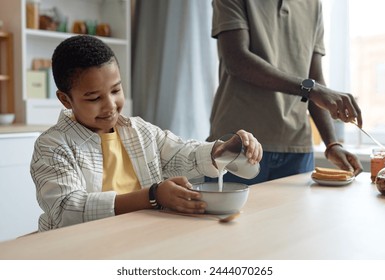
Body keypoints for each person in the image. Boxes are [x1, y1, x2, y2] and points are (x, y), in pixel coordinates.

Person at [30, 35, 262, 232]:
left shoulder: (139, 131)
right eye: (94, 98)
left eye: (116, 90)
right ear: (65, 99)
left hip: (137, 237)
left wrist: (222, 149)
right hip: (77, 250)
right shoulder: (53, 145)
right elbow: (67, 209)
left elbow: (183, 153)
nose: (110, 105)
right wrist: (153, 196)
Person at [206, 0, 363, 184]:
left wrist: (331, 143)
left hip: (297, 151)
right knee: (228, 214)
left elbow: (314, 77)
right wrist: (311, 88)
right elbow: (236, 59)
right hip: (237, 145)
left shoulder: (313, 4)